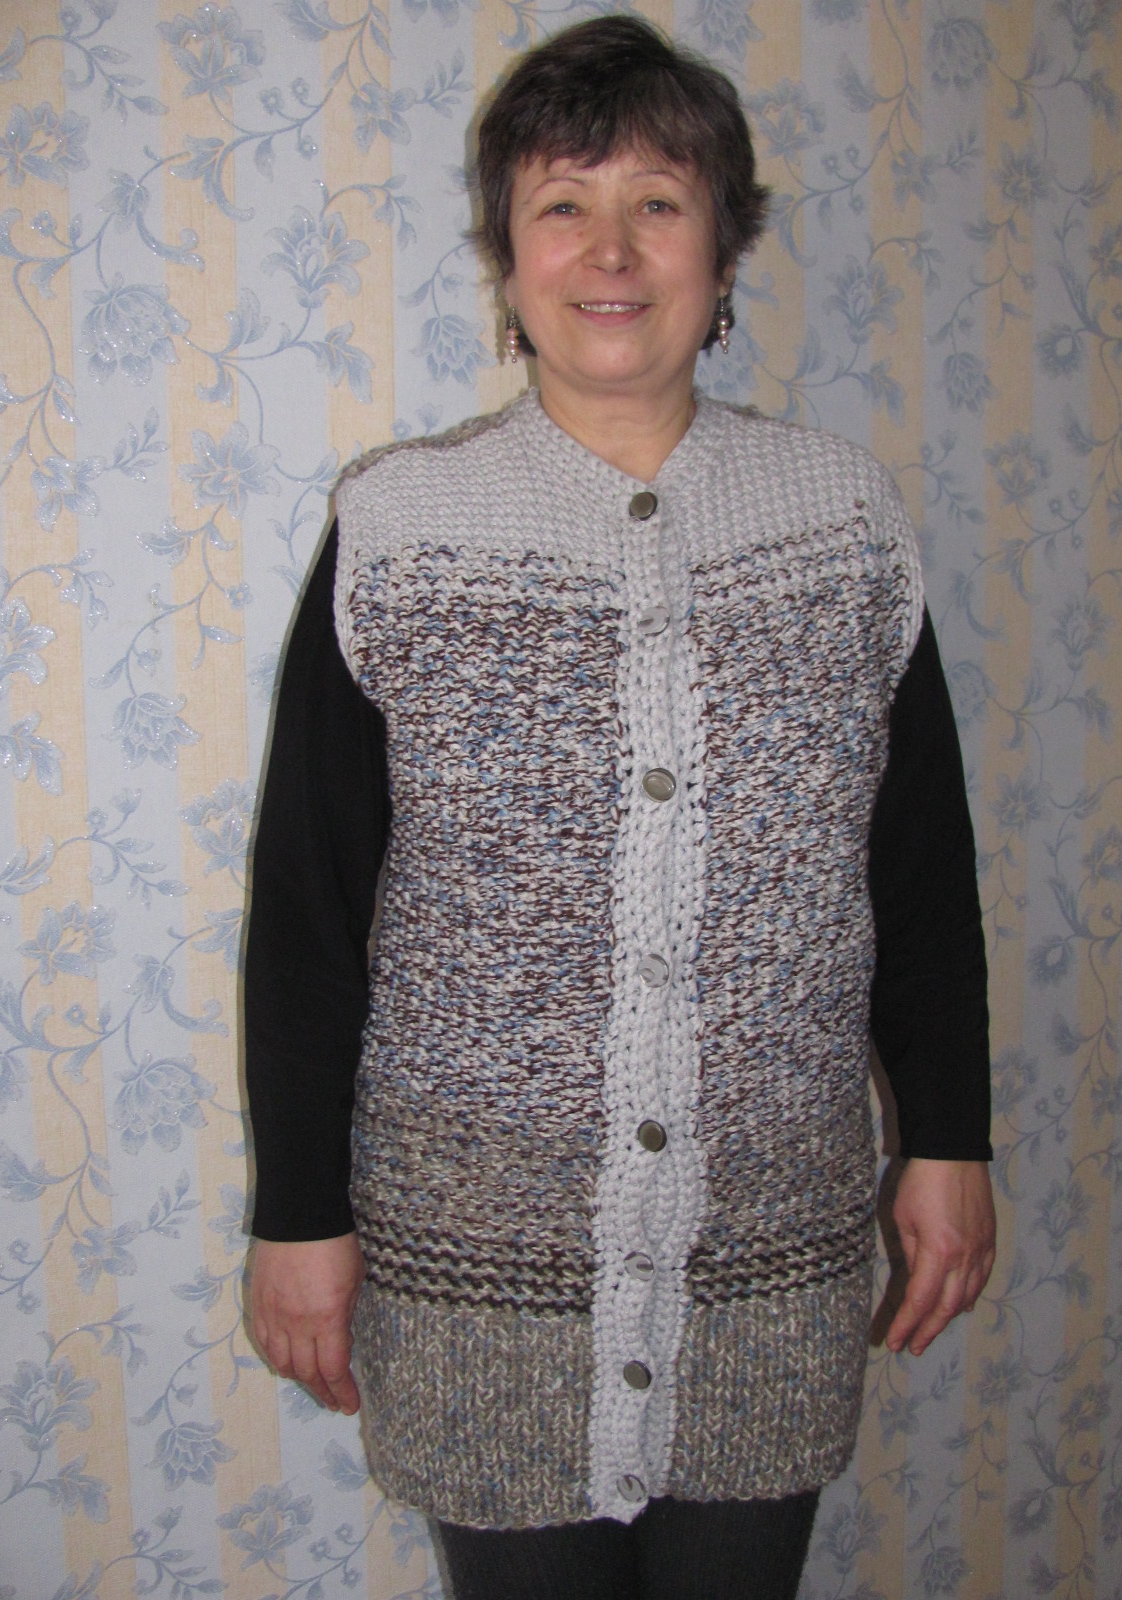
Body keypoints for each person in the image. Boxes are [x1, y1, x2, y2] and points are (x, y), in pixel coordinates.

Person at [245, 17, 996, 1600]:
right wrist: (299, 1214)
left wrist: (949, 1137)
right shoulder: (402, 527)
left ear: (723, 254)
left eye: (658, 201)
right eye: (560, 204)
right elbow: (310, 905)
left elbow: (922, 870)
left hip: (766, 1252)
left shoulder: (843, 521)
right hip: (477, 1263)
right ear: (504, 258)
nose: (609, 248)